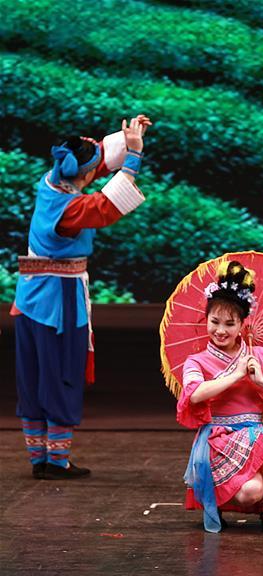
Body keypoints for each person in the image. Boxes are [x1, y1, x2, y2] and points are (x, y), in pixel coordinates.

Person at [13, 115, 152, 479]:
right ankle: (55, 461)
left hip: (30, 300)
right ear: (88, 176)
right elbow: (106, 206)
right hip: (57, 305)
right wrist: (134, 156)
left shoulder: (51, 182)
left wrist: (129, 137)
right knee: (61, 374)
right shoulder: (71, 209)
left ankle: (39, 458)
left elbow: (94, 159)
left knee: (33, 375)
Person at [177, 261, 263, 533]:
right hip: (217, 439)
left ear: (242, 324)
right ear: (206, 320)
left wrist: (262, 380)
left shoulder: (259, 356)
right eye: (214, 322)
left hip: (255, 437)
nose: (221, 330)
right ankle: (224, 498)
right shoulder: (196, 361)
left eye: (230, 323)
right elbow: (193, 396)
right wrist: (236, 376)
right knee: (250, 492)